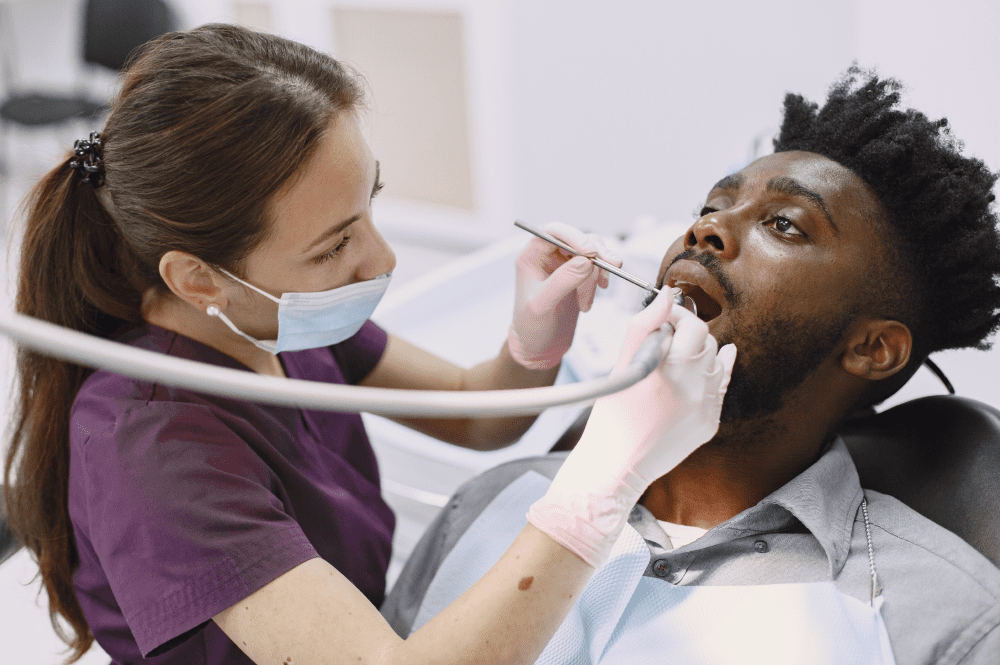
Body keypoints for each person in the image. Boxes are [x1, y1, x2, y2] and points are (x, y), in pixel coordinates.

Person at [2, 23, 737, 665]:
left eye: (369, 207)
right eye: (335, 244)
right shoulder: (155, 448)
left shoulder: (272, 323)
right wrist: (606, 479)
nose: (381, 260)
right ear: (200, 278)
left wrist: (533, 342)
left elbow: (475, 411)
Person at [381, 67, 1000, 664]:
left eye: (784, 225)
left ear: (872, 348)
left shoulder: (943, 619)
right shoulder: (494, 502)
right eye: (712, 204)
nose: (708, 229)